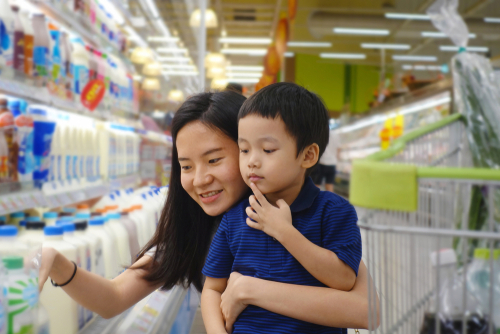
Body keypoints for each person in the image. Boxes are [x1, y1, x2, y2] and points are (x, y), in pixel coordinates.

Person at [38, 90, 378, 331]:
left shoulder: (309, 216)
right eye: (186, 166)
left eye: (215, 160)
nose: (200, 179)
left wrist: (249, 289)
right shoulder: (193, 234)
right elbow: (111, 299)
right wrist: (56, 263)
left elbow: (366, 310)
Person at [201, 83, 361, 334]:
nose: (252, 161)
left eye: (267, 150)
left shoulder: (333, 211)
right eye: (244, 149)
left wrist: (284, 232)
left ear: (308, 156)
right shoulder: (235, 216)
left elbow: (344, 280)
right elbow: (212, 288)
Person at [312, 128, 340, 192]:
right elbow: (338, 149)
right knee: (330, 186)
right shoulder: (335, 135)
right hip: (332, 163)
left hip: (321, 162)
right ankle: (329, 201)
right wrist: (337, 161)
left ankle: (316, 201)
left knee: (316, 185)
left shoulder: (320, 133)